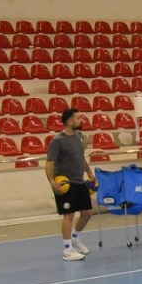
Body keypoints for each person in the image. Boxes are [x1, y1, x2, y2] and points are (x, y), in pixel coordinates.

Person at [47, 108, 97, 261]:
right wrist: (52, 182)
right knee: (68, 215)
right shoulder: (57, 141)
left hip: (79, 181)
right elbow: (49, 164)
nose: (82, 120)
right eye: (78, 118)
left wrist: (89, 172)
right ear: (70, 121)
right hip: (65, 183)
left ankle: (75, 238)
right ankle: (67, 250)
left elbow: (81, 158)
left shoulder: (79, 136)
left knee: (88, 212)